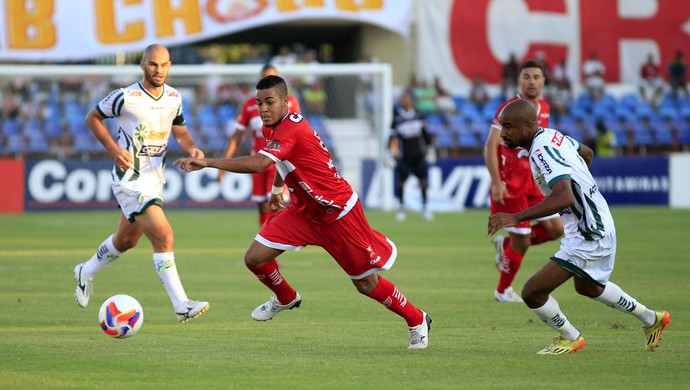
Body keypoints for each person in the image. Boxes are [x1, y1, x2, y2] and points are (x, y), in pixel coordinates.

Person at [174, 75, 431, 349]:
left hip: (338, 214)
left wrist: (209, 162)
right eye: (259, 102)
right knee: (255, 258)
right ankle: (285, 297)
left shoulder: (293, 128)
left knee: (366, 284)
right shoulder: (269, 127)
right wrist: (276, 191)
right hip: (304, 212)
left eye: (269, 102)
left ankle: (417, 319)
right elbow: (282, 162)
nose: (263, 109)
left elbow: (262, 163)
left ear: (286, 102)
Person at [488, 99, 670, 355]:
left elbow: (564, 197)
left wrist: (515, 217)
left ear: (528, 126)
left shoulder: (541, 149)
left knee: (532, 292)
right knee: (587, 287)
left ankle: (570, 337)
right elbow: (587, 153)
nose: (503, 133)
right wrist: (583, 187)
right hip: (594, 222)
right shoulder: (551, 136)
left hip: (589, 232)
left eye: (508, 127)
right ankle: (652, 319)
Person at [73, 44, 209, 323]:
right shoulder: (126, 96)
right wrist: (112, 149)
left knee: (126, 240)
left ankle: (85, 271)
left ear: (170, 65)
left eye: (163, 65)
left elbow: (180, 130)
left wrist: (192, 148)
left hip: (154, 179)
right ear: (142, 64)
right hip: (130, 178)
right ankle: (181, 304)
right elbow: (93, 117)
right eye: (152, 65)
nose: (158, 70)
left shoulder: (174, 97)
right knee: (164, 236)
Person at [484, 60, 564, 303]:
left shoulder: (546, 108)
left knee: (556, 229)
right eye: (526, 77)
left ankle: (507, 246)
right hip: (512, 184)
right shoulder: (509, 109)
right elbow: (491, 145)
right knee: (522, 242)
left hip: (534, 183)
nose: (532, 81)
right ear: (518, 81)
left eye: (536, 77)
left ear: (543, 81)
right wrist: (496, 181)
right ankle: (502, 291)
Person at [219, 64, 301, 226]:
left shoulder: (289, 102)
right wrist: (224, 164)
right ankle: (264, 240)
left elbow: (298, 132)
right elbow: (236, 137)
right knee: (262, 206)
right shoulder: (250, 105)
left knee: (278, 204)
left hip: (279, 163)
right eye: (265, 78)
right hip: (258, 162)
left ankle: (277, 242)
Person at [389, 91, 435, 222]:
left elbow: (426, 135)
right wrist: (391, 153)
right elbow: (392, 138)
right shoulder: (396, 118)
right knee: (402, 182)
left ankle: (425, 207)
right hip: (404, 155)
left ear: (412, 100)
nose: (405, 101)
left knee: (423, 181)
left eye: (407, 98)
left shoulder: (419, 116)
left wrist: (430, 149)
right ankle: (401, 208)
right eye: (403, 98)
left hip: (418, 154)